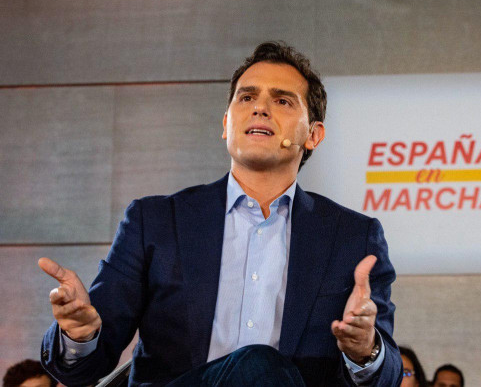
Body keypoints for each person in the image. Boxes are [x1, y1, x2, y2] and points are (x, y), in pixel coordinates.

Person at [38, 42, 402, 386]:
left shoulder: (354, 237)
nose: (260, 108)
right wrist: (78, 335)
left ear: (313, 135)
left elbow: (385, 377)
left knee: (262, 368)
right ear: (226, 124)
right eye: (247, 97)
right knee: (258, 365)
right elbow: (82, 367)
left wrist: (363, 349)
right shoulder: (156, 222)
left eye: (282, 100)